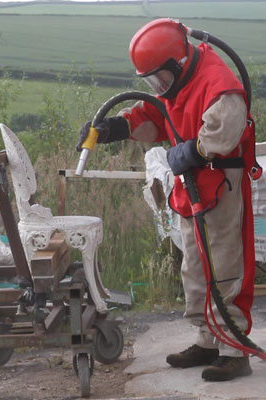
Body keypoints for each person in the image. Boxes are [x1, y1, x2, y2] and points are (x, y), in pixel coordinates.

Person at [77, 18, 259, 381]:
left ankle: (234, 350)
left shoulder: (219, 85)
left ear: (176, 63)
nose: (157, 87)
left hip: (221, 180)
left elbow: (224, 133)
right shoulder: (175, 82)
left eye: (160, 78)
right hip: (192, 185)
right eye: (150, 82)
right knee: (195, 266)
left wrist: (190, 151)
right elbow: (155, 114)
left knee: (224, 267)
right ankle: (207, 340)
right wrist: (116, 128)